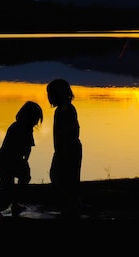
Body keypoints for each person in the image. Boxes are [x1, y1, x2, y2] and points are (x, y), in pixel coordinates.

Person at [0, 101, 43, 219]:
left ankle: (15, 203)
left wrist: (25, 161)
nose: (36, 122)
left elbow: (28, 148)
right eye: (35, 119)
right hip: (5, 161)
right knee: (7, 188)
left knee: (25, 177)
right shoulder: (17, 128)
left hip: (16, 160)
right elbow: (14, 147)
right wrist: (23, 160)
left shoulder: (27, 129)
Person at [47, 78, 82, 216]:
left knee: (63, 177)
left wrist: (63, 146)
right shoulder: (62, 109)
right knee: (61, 177)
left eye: (50, 94)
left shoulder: (66, 109)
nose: (49, 97)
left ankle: (73, 204)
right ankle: (72, 203)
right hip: (63, 149)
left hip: (68, 149)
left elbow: (74, 129)